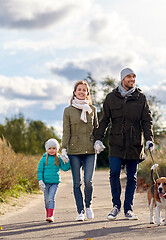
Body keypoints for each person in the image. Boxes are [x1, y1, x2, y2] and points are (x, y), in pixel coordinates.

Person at [94, 67, 155, 220]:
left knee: (131, 177)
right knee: (114, 172)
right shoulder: (111, 98)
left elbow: (146, 120)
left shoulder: (141, 98)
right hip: (116, 143)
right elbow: (104, 121)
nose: (132, 80)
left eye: (134, 77)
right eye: (129, 77)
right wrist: (98, 139)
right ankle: (116, 206)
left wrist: (149, 139)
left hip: (135, 144)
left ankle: (128, 209)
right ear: (122, 79)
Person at [61, 80, 99, 221]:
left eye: (84, 90)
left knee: (88, 181)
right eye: (79, 89)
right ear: (75, 92)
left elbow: (97, 130)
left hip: (90, 150)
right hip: (74, 151)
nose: (82, 92)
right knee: (77, 183)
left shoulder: (93, 110)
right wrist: (63, 148)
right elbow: (66, 131)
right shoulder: (68, 111)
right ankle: (81, 211)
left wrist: (98, 142)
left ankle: (88, 205)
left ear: (87, 93)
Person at [37, 138, 70, 222]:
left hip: (54, 183)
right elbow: (40, 170)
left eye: (54, 148)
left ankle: (51, 215)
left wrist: (66, 161)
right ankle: (48, 213)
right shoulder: (43, 159)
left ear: (57, 149)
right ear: (47, 149)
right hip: (45, 183)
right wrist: (40, 180)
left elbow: (64, 168)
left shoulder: (58, 158)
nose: (51, 150)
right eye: (49, 148)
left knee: (51, 198)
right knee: (46, 199)